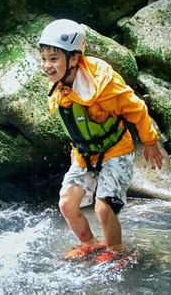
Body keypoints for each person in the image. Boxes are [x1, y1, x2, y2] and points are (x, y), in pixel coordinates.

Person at [39, 19, 164, 262]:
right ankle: (90, 243)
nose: (47, 66)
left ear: (74, 59)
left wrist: (150, 142)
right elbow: (76, 126)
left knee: (103, 208)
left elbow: (137, 108)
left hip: (116, 151)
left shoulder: (103, 82)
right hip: (85, 156)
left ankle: (117, 252)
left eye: (54, 59)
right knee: (67, 204)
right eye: (44, 58)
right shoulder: (59, 87)